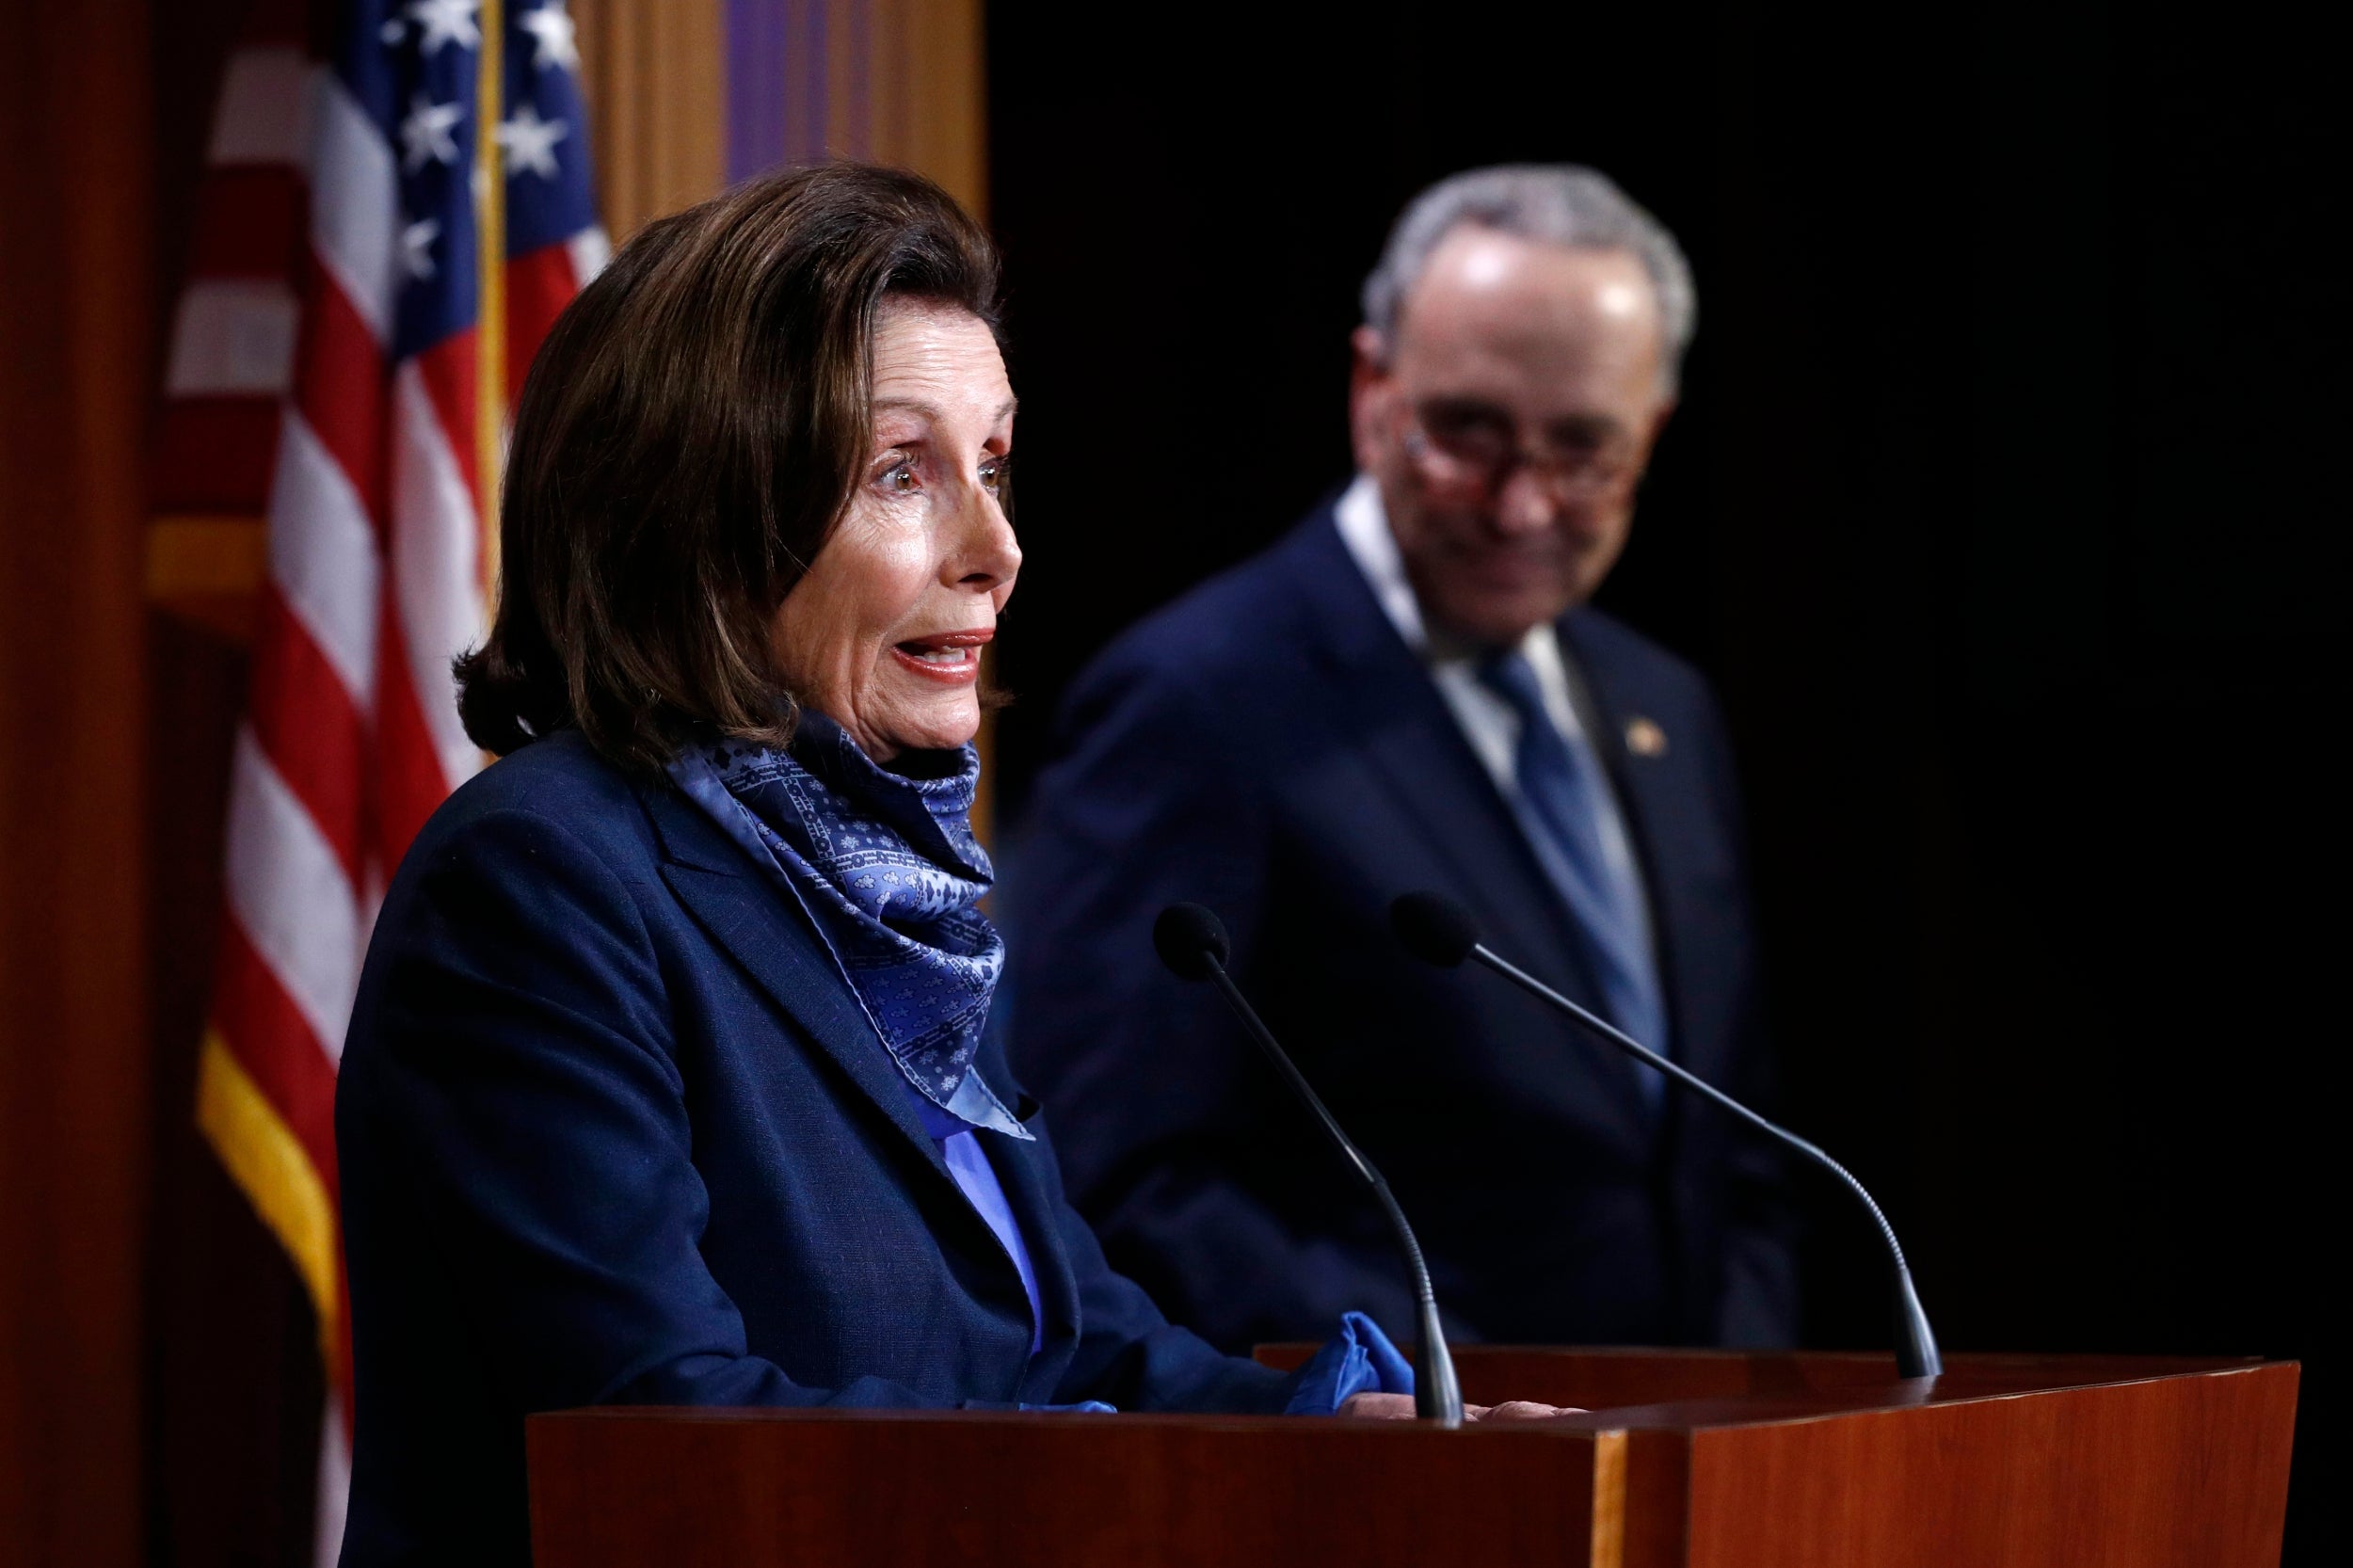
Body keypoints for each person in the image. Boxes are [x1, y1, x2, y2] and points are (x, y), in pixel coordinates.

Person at [334, 166, 1560, 1568]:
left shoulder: (890, 894)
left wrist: (1364, 1432)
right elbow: (654, 1425)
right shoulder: (542, 887)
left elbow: (1066, 1335)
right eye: (899, 472)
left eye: (991, 462)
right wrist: (1121, 1477)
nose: (1000, 549)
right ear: (703, 515)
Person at [1007, 166, 1797, 1354]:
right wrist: (1431, 1383)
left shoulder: (1662, 706)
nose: (1522, 507)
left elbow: (1724, 1141)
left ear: (1651, 433)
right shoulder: (1196, 701)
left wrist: (1744, 1393)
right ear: (1374, 389)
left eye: (1583, 449)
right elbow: (1122, 1164)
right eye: (1470, 434)